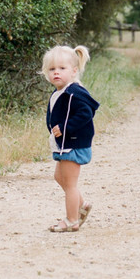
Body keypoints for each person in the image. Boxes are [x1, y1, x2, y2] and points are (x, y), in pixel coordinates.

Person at [42, 44, 100, 232]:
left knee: (70, 184)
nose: (56, 73)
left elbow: (86, 112)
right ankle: (82, 205)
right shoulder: (60, 91)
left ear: (74, 71)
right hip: (64, 143)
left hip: (73, 143)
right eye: (52, 69)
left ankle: (72, 220)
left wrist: (66, 128)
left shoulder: (75, 91)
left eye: (62, 68)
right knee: (59, 177)